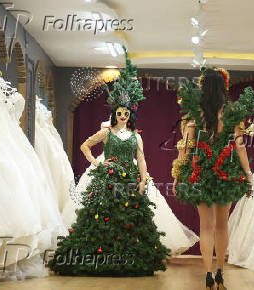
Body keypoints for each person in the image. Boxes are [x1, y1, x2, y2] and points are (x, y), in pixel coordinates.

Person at [48, 50, 169, 277]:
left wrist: (144, 180)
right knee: (100, 218)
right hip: (107, 179)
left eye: (126, 113)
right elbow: (85, 145)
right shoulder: (106, 132)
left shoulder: (136, 136)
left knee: (130, 219)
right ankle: (97, 260)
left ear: (130, 115)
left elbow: (141, 158)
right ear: (114, 114)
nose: (122, 116)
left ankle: (131, 260)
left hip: (131, 180)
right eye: (119, 112)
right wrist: (95, 162)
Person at [171, 67, 254, 289]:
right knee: (222, 226)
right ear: (223, 87)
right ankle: (219, 272)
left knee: (206, 227)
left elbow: (185, 148)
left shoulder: (194, 116)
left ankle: (207, 275)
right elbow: (240, 147)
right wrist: (248, 175)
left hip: (200, 173)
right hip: (227, 172)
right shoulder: (231, 114)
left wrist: (177, 175)